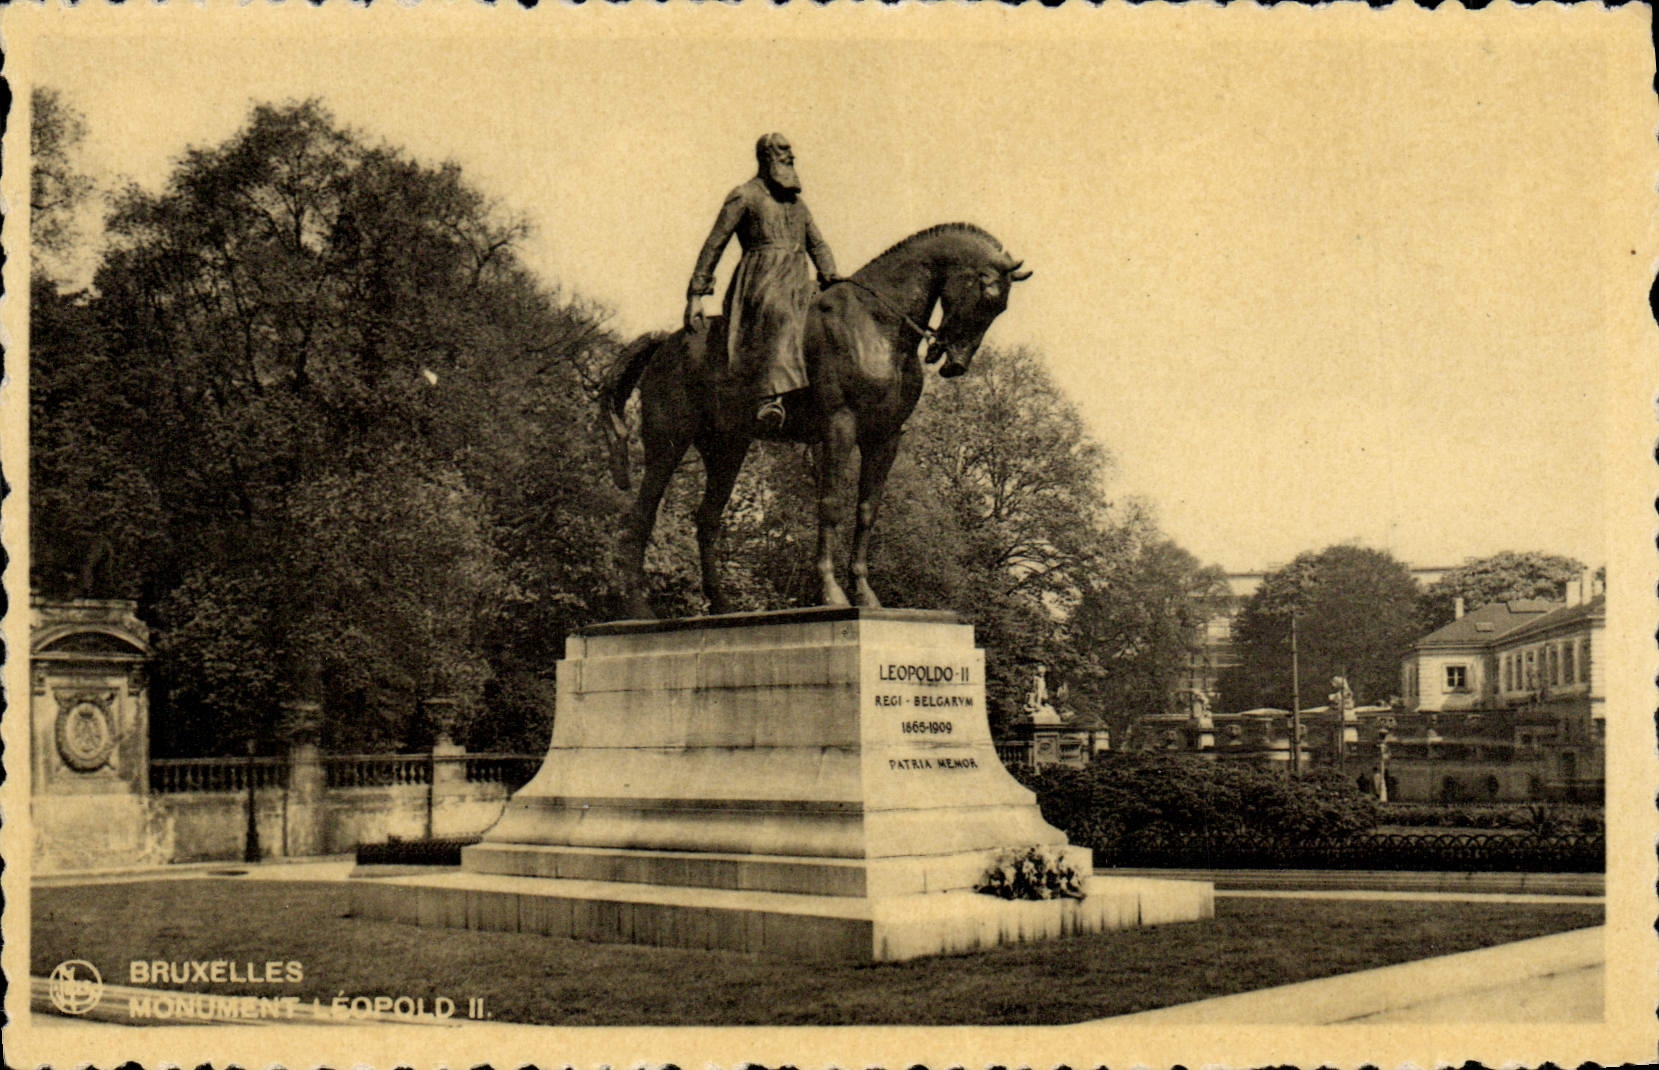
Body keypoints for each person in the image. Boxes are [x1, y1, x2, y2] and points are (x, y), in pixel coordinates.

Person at [685, 133, 841, 431]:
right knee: (779, 314)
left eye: (790, 152)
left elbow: (817, 244)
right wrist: (696, 294)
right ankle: (768, 398)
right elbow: (714, 244)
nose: (790, 157)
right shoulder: (745, 195)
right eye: (782, 152)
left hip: (798, 278)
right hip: (761, 281)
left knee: (828, 320)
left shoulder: (797, 204)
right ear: (766, 157)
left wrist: (830, 275)